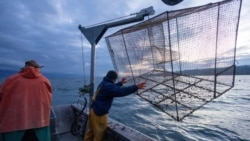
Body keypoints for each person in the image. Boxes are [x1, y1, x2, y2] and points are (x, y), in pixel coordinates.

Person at [84, 70, 146, 141]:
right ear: (114, 79)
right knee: (98, 136)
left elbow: (112, 87)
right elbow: (121, 91)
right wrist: (135, 87)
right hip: (99, 115)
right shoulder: (108, 86)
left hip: (93, 111)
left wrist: (120, 83)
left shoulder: (104, 83)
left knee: (90, 132)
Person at [0, 60, 52, 141]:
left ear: (24, 68)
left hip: (14, 126)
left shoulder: (10, 80)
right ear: (37, 68)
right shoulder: (45, 81)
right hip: (40, 125)